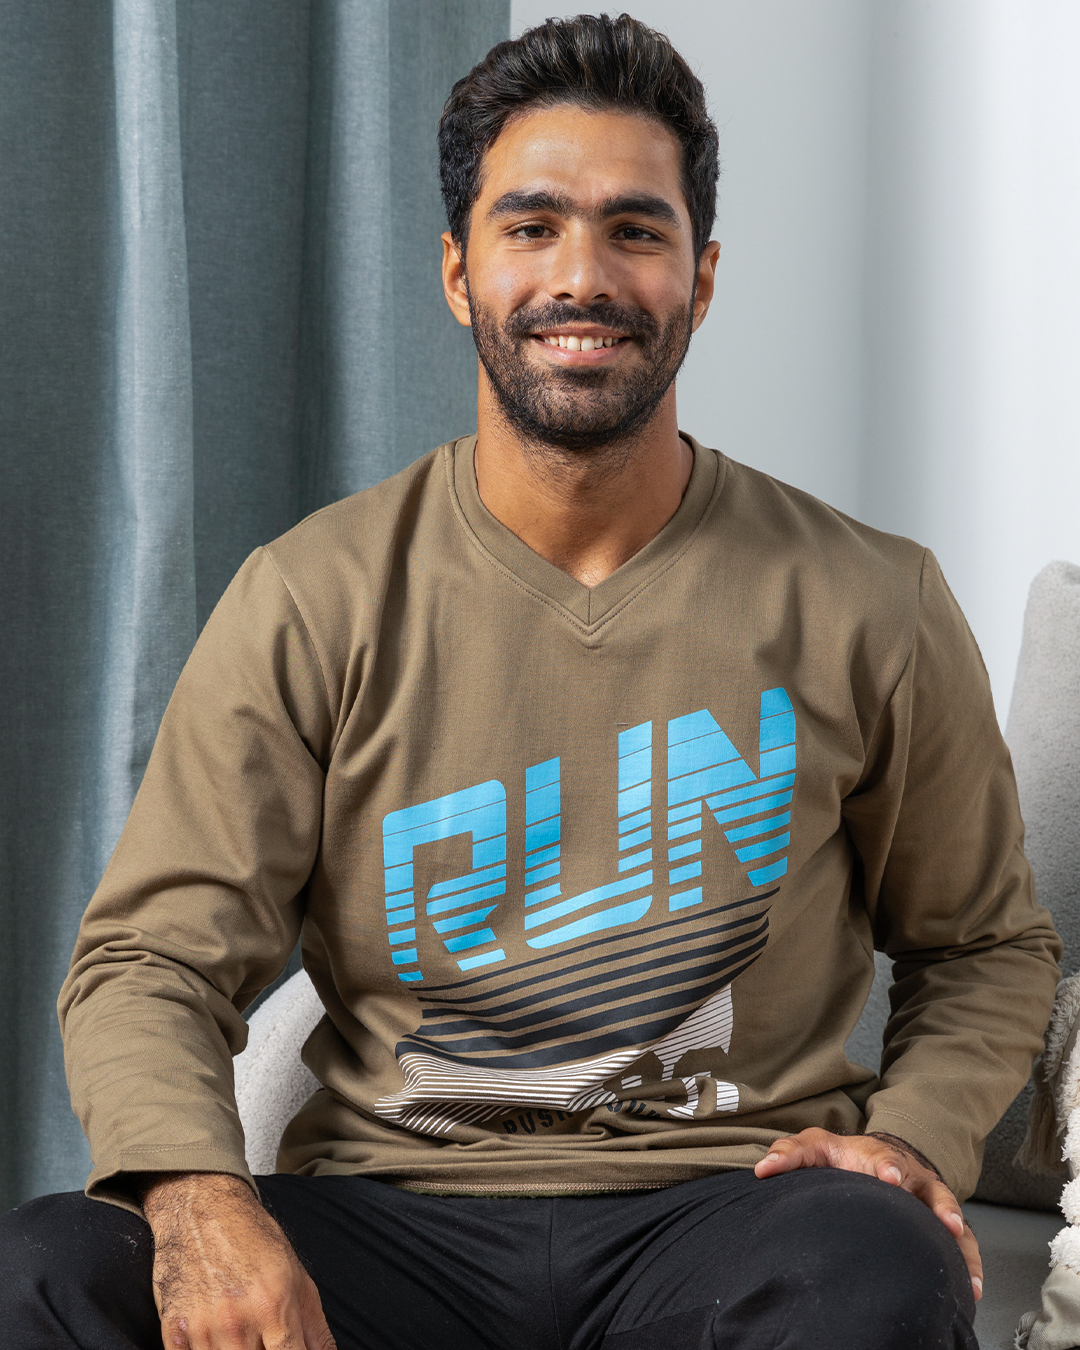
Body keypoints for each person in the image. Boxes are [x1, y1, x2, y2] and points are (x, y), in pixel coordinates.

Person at [0, 14, 1061, 1350]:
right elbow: (148, 959)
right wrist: (199, 1198)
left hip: (728, 1210)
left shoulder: (870, 599)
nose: (583, 276)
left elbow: (983, 947)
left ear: (703, 277)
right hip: (392, 1222)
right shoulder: (313, 597)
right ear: (459, 271)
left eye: (636, 230)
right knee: (46, 1268)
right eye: (532, 226)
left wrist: (910, 1139)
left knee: (877, 1263)